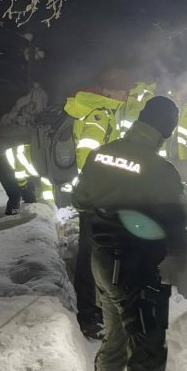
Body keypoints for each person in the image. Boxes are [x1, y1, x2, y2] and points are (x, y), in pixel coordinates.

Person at [72, 96, 187, 371]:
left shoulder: (103, 153)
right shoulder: (161, 169)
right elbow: (176, 232)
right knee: (146, 359)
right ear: (166, 131)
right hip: (137, 270)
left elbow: (80, 199)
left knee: (115, 338)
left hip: (102, 261)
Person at [64, 68, 132, 339]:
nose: (126, 95)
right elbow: (88, 157)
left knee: (97, 252)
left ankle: (96, 308)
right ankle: (89, 317)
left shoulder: (102, 112)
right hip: (98, 195)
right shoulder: (99, 115)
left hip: (99, 193)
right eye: (121, 90)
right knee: (92, 255)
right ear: (107, 90)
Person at [0, 142, 55, 215]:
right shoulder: (39, 159)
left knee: (30, 190)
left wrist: (51, 205)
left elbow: (47, 187)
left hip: (20, 167)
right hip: (4, 164)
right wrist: (23, 186)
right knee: (15, 193)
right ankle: (11, 214)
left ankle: (30, 211)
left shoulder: (48, 167)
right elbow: (19, 173)